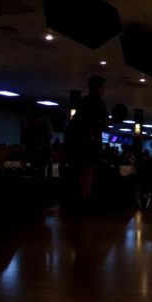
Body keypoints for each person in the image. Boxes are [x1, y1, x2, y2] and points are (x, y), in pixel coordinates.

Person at [64, 76, 108, 207]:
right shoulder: (98, 103)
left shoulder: (84, 102)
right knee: (88, 171)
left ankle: (80, 199)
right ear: (98, 88)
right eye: (102, 87)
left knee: (81, 171)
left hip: (78, 142)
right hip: (89, 142)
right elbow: (101, 123)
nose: (103, 90)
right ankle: (85, 199)